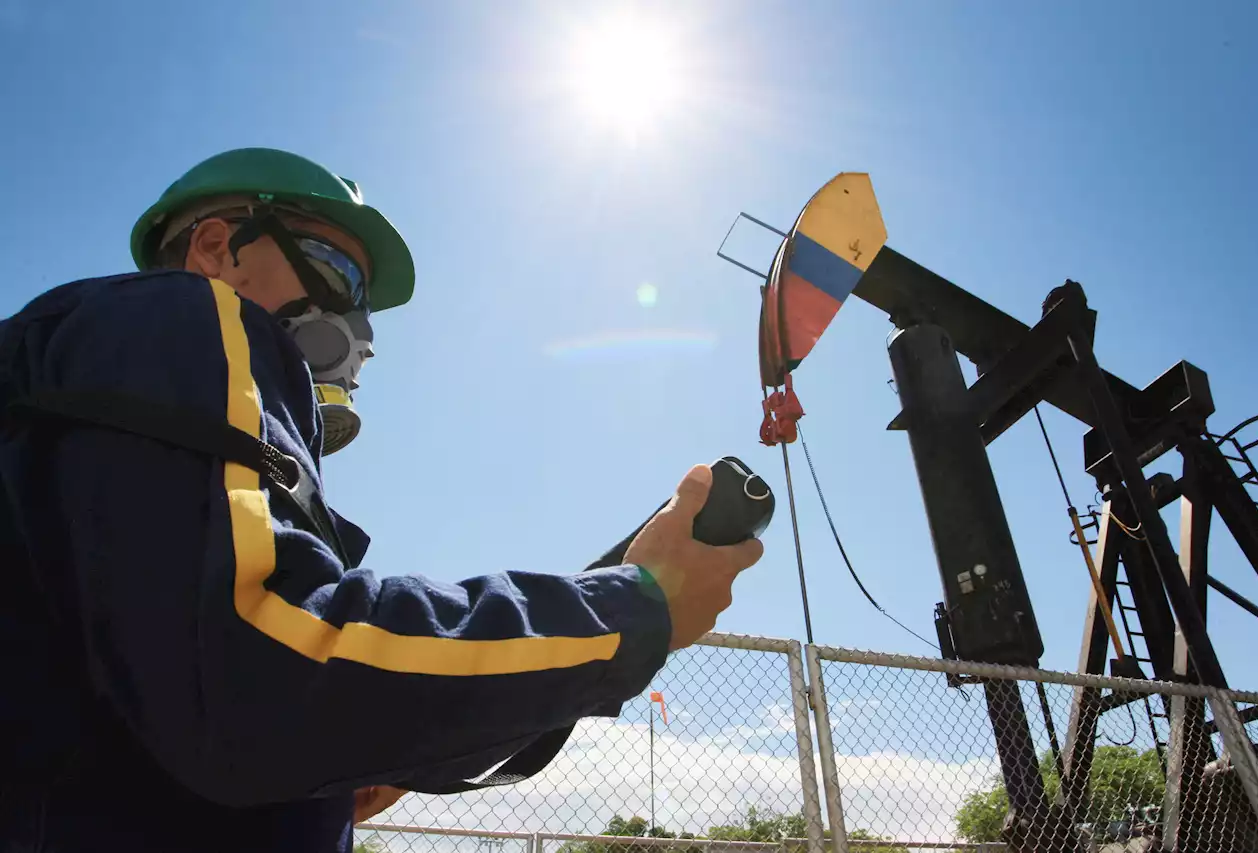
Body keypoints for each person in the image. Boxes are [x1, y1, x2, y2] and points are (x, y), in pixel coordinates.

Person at [0, 148, 763, 852]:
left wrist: (347, 756)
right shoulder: (188, 316)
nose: (357, 323)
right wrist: (629, 611)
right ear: (214, 250)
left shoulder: (85, 384)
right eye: (336, 270)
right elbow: (255, 676)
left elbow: (171, 691)